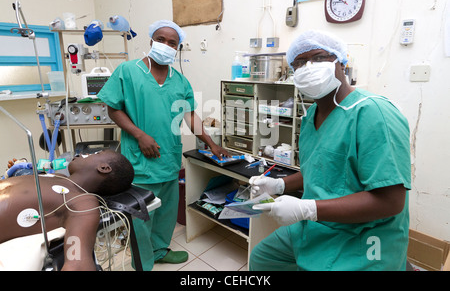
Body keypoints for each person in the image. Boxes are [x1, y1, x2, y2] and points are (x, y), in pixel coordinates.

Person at [249, 30, 411, 271]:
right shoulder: (311, 116)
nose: (309, 68)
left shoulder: (373, 113)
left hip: (362, 235)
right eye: (300, 63)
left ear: (341, 62)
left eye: (320, 58)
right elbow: (322, 168)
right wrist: (279, 185)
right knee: (263, 258)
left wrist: (307, 208)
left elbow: (390, 201)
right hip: (316, 224)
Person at [97, 20, 229, 270]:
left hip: (168, 158)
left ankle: (159, 251)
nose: (166, 45)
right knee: (141, 216)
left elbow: (190, 115)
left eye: (172, 43)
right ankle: (143, 262)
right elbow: (113, 108)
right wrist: (139, 135)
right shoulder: (128, 71)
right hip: (139, 160)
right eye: (161, 39)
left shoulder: (179, 81)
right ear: (151, 41)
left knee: (166, 213)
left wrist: (211, 143)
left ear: (177, 48)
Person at [0, 150, 134, 271]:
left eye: (96, 154)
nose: (80, 154)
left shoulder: (82, 201)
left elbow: (78, 265)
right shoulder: (55, 177)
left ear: (103, 168)